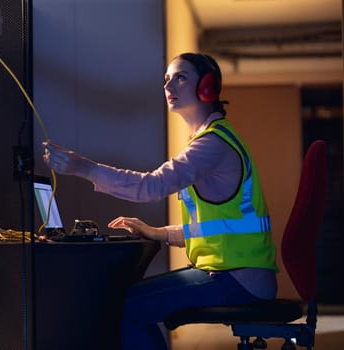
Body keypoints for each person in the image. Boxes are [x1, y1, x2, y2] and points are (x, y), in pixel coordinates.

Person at [42, 52, 278, 350]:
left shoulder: (212, 145)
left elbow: (150, 186)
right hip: (237, 274)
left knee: (126, 306)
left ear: (208, 87)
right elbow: (220, 228)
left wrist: (84, 168)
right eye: (166, 80)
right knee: (130, 301)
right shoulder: (211, 139)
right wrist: (160, 233)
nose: (169, 87)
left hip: (238, 280)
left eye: (180, 78)